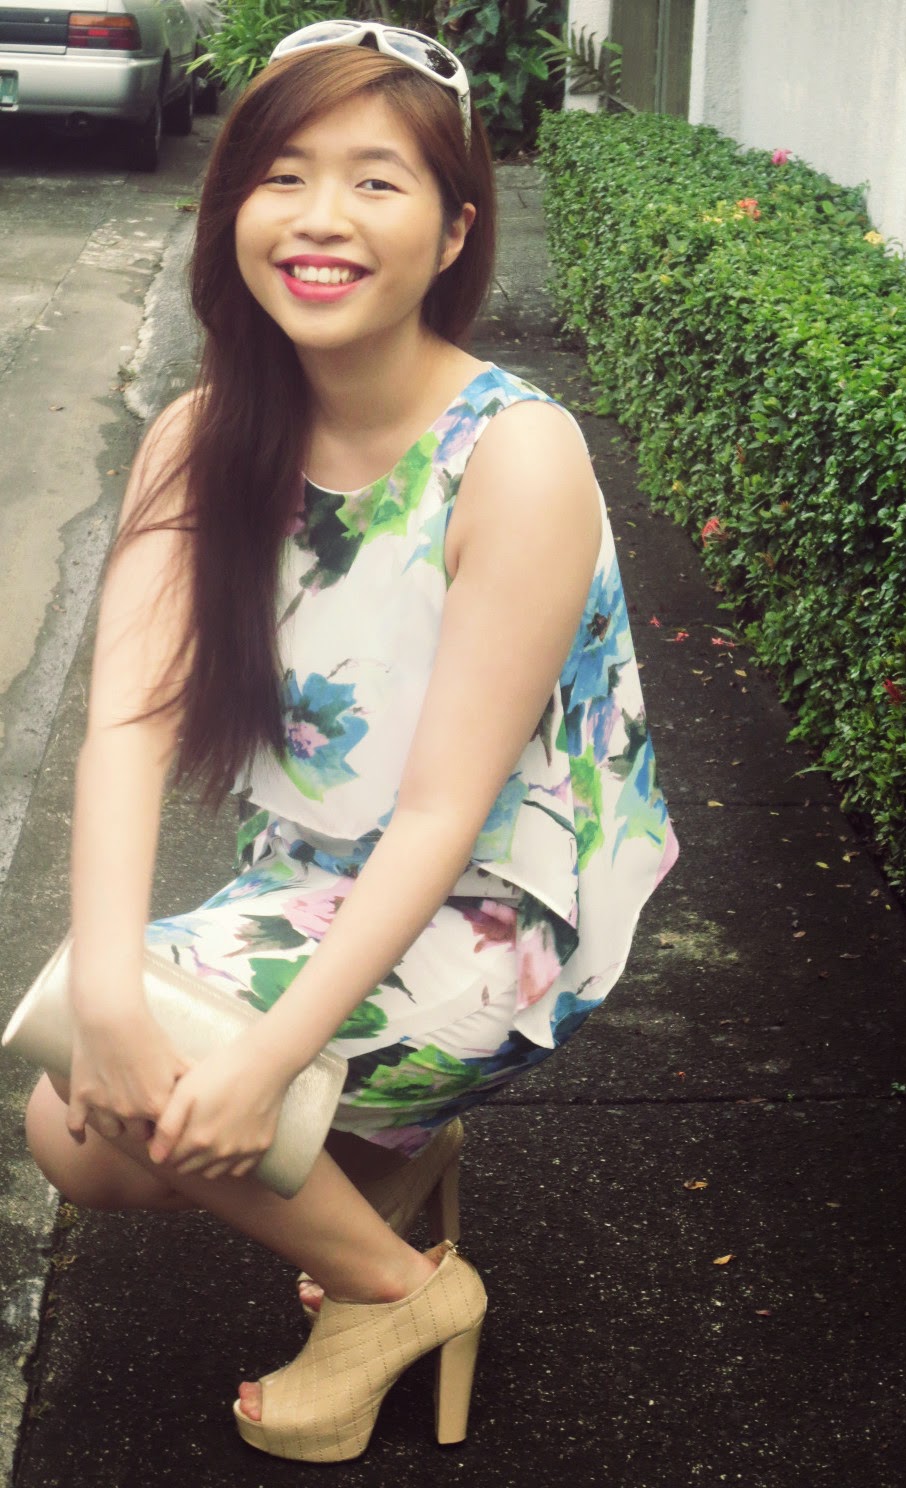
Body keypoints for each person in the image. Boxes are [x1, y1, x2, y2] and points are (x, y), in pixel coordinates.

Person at [22, 18, 678, 1465]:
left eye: (376, 183)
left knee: (121, 1122)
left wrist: (267, 1063)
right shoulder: (203, 435)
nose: (321, 218)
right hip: (315, 875)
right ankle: (380, 1173)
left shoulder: (515, 454)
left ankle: (399, 1293)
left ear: (454, 233)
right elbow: (125, 726)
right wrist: (111, 986)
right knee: (80, 1099)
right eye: (284, 175)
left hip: (503, 906)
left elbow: (443, 815)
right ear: (232, 208)